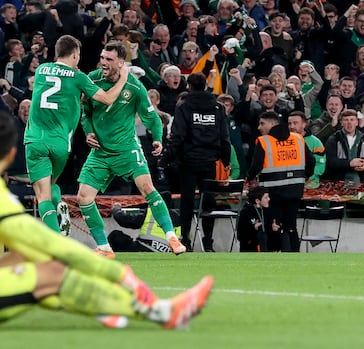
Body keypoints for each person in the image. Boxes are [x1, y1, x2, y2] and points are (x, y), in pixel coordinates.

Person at [0, 110, 213, 330]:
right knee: (51, 272)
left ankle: (102, 306)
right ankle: (161, 312)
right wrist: (119, 273)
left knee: (23, 259)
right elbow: (51, 245)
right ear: (13, 154)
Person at [77, 41, 186, 258]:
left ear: (120, 62)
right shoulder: (92, 79)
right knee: (83, 197)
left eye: (109, 59)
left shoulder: (134, 87)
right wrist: (88, 131)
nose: (103, 63)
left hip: (127, 149)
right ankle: (104, 247)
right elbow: (85, 113)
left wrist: (157, 139)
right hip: (100, 153)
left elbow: (151, 117)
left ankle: (171, 237)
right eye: (102, 58)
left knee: (147, 187)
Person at [24, 35, 129, 235]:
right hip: (61, 144)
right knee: (50, 185)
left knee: (42, 195)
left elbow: (52, 83)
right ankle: (59, 206)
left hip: (35, 140)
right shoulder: (79, 78)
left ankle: (55, 240)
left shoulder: (40, 70)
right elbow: (107, 99)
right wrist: (123, 77)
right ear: (75, 54)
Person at [162, 72, 231, 252]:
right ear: (205, 86)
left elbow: (178, 136)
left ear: (189, 87)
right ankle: (208, 240)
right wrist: (226, 159)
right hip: (210, 162)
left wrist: (166, 158)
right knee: (208, 201)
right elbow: (224, 136)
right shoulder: (217, 108)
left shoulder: (184, 107)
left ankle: (186, 239)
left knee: (187, 202)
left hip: (189, 162)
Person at [246, 111, 315, 252]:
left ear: (272, 124)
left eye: (262, 123)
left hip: (273, 192)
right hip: (295, 190)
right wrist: (305, 175)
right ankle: (294, 255)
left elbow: (255, 166)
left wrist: (249, 178)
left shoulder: (264, 141)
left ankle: (276, 255)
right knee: (291, 227)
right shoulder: (298, 138)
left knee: (274, 225)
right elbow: (311, 161)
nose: (259, 127)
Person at [237, 187, 277, 252]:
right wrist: (253, 228)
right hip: (251, 248)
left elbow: (270, 234)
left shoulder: (269, 211)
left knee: (284, 235)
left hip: (267, 246)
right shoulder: (246, 212)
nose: (269, 199)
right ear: (257, 201)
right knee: (261, 235)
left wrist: (274, 229)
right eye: (266, 197)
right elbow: (240, 235)